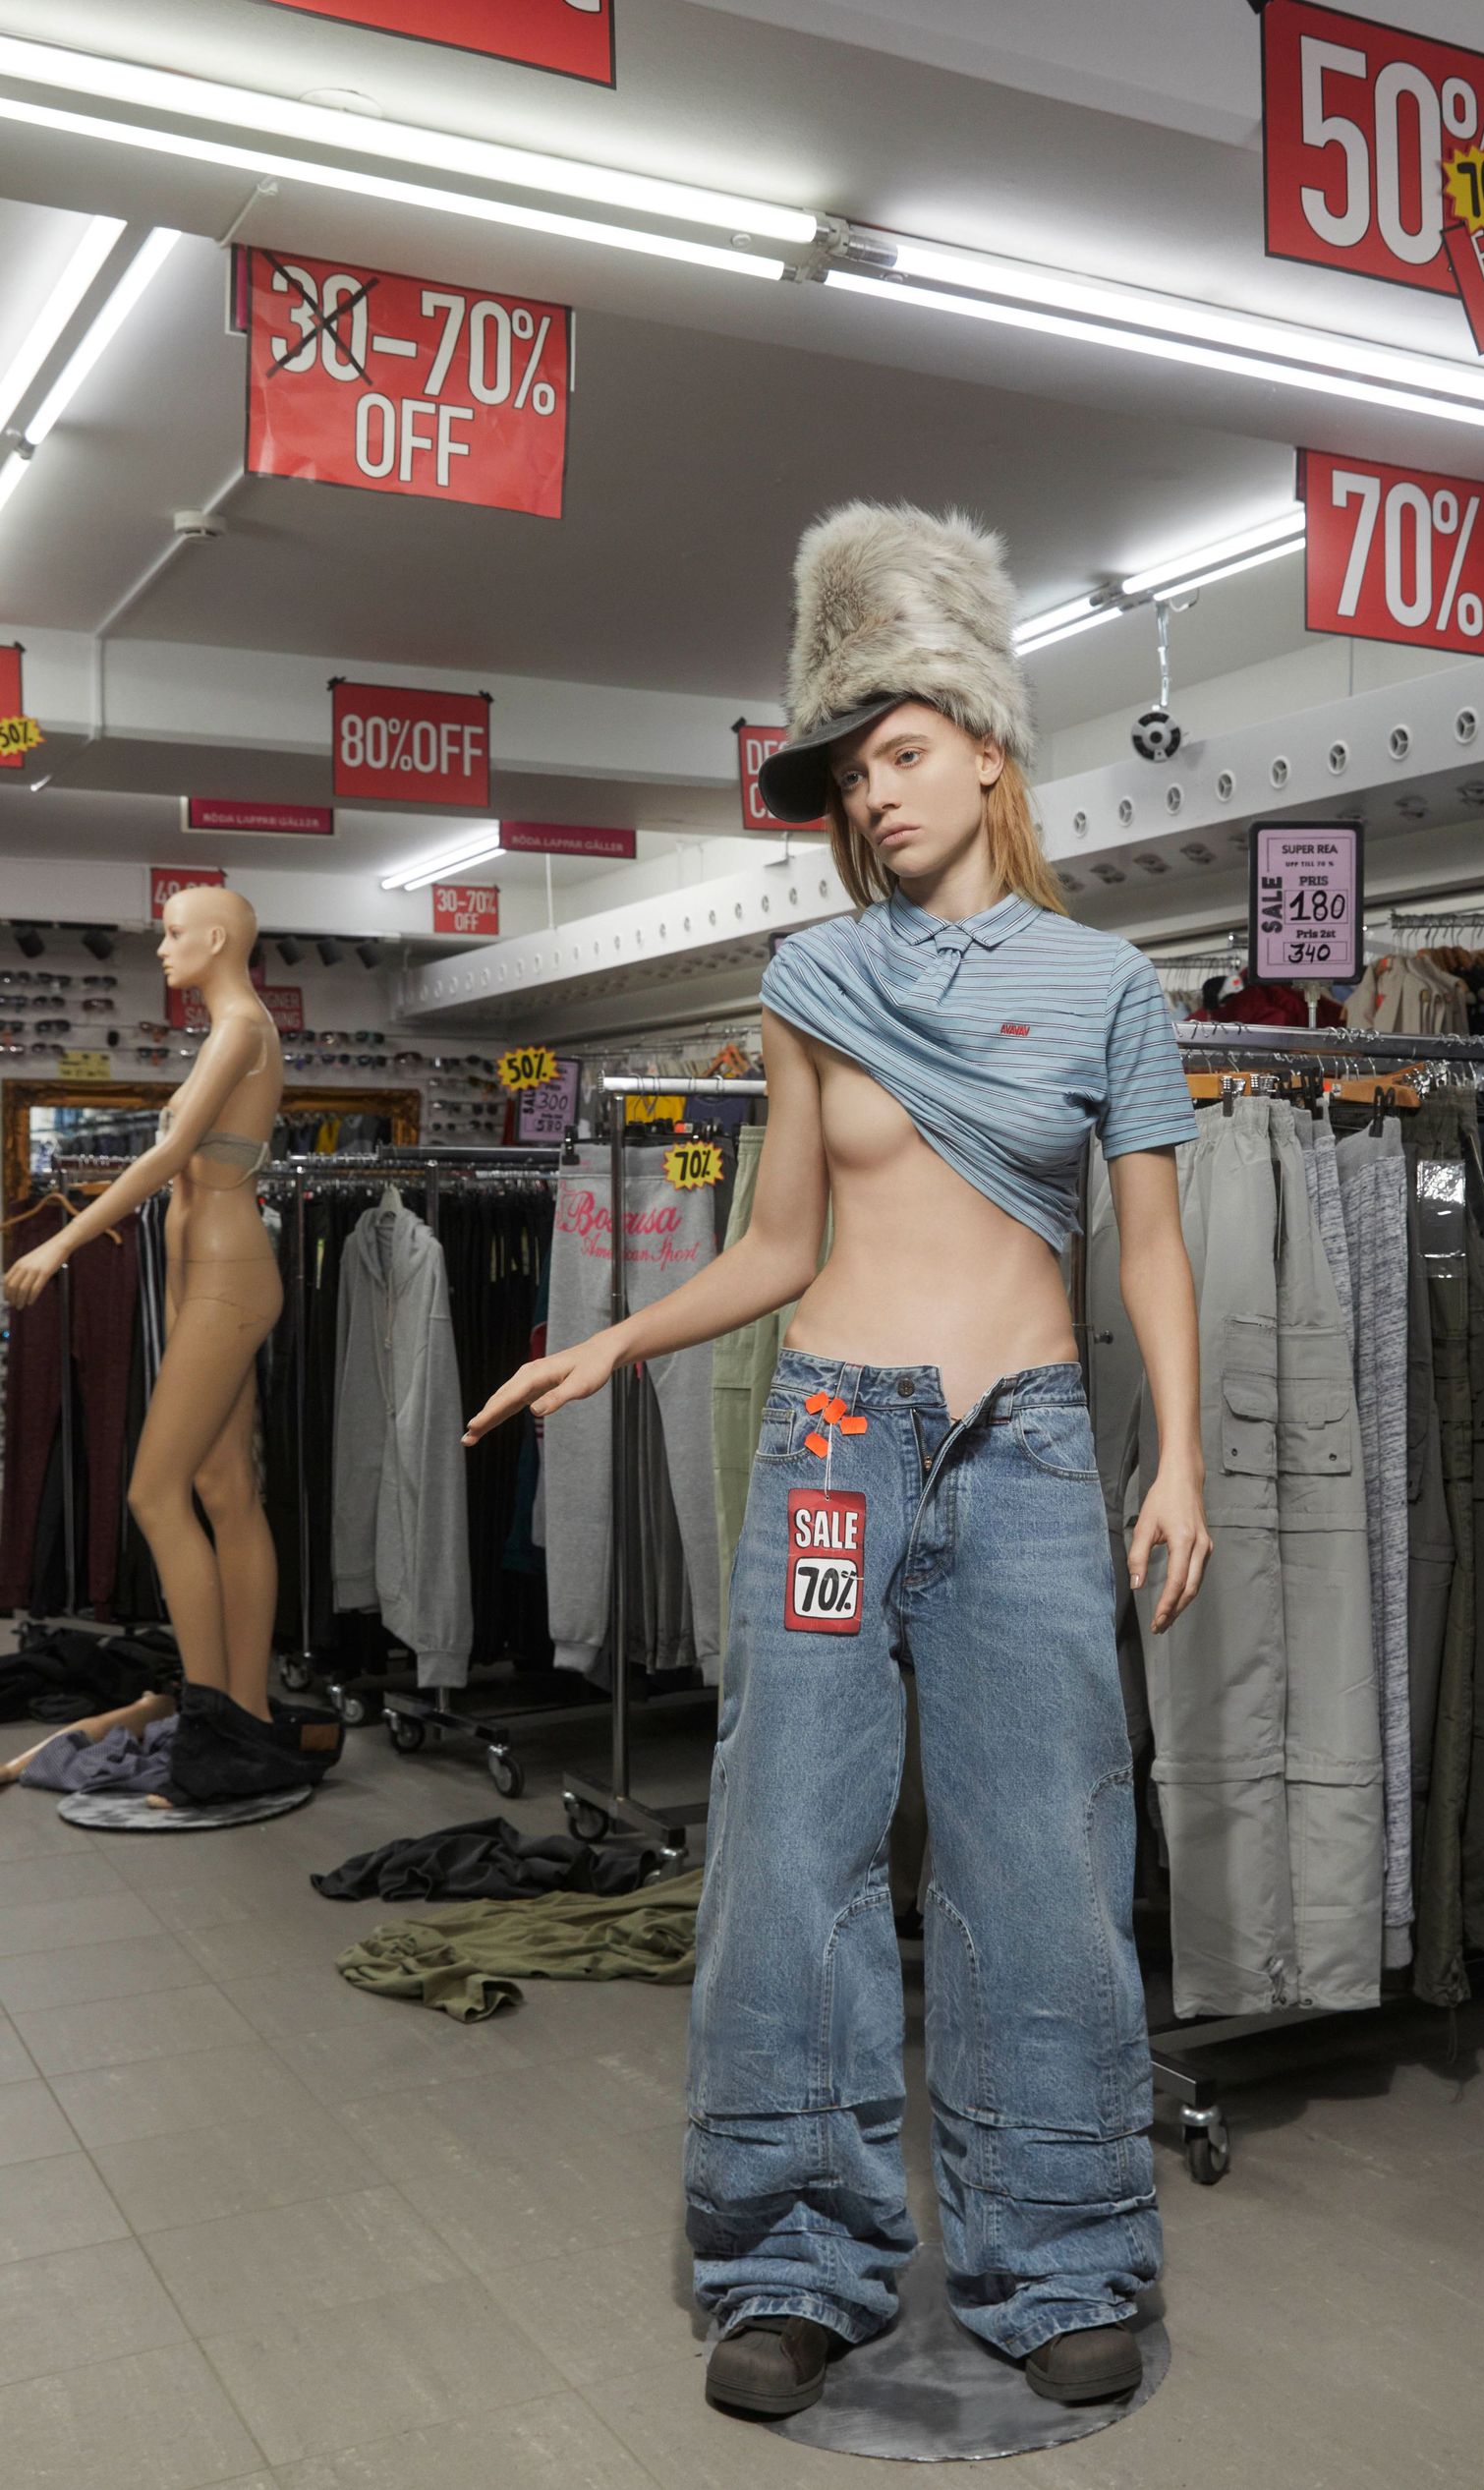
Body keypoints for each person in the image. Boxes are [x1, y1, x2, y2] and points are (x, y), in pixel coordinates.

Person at [465, 503, 1209, 2421]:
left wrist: (1180, 1460)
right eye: (848, 771)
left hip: (1027, 1453)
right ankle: (789, 2257)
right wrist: (619, 1336)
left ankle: (1057, 2254)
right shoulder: (811, 982)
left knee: (1041, 1851)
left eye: (900, 753)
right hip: (828, 1447)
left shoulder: (1110, 989)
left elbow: (1146, 1249)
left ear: (987, 748)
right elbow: (783, 1241)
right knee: (790, 1842)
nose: (872, 797)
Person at [3, 885, 284, 1766]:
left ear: (216, 938)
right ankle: (243, 1712)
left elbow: (167, 1157)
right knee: (223, 1489)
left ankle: (211, 1718)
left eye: (172, 933)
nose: (161, 949)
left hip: (228, 1277)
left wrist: (64, 1243)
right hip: (203, 1277)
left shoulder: (242, 1028)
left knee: (154, 1493)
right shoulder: (228, 1030)